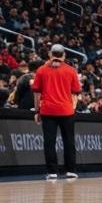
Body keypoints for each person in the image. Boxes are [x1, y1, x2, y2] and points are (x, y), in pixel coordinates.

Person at [32, 45, 81, 179]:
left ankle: (52, 172)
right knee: (69, 141)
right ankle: (70, 170)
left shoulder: (41, 70)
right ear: (63, 55)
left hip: (47, 111)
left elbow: (37, 93)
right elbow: (75, 93)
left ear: (50, 54)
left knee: (49, 142)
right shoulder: (71, 71)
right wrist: (73, 107)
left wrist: (37, 111)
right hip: (67, 111)